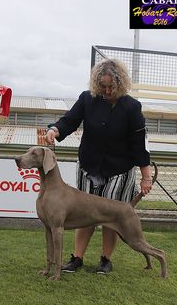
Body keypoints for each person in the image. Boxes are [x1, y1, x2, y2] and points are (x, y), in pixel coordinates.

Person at [45, 58, 153, 275]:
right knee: (85, 214)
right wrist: (55, 130)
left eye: (111, 86)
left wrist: (146, 177)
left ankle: (105, 260)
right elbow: (69, 120)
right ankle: (76, 258)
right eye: (102, 86)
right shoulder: (88, 99)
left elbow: (138, 145)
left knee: (111, 217)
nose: (106, 90)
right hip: (89, 166)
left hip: (119, 170)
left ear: (120, 83)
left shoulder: (132, 107)